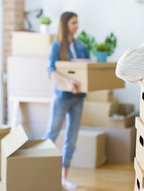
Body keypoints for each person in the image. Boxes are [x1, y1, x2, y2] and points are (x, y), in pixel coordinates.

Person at [43, 11, 90, 190]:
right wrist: (68, 81)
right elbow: (50, 71)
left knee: (72, 138)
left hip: (78, 98)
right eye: (73, 23)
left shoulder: (82, 46)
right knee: (52, 133)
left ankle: (64, 177)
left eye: (77, 22)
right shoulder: (56, 46)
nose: (76, 26)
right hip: (62, 97)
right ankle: (41, 171)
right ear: (65, 25)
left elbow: (87, 69)